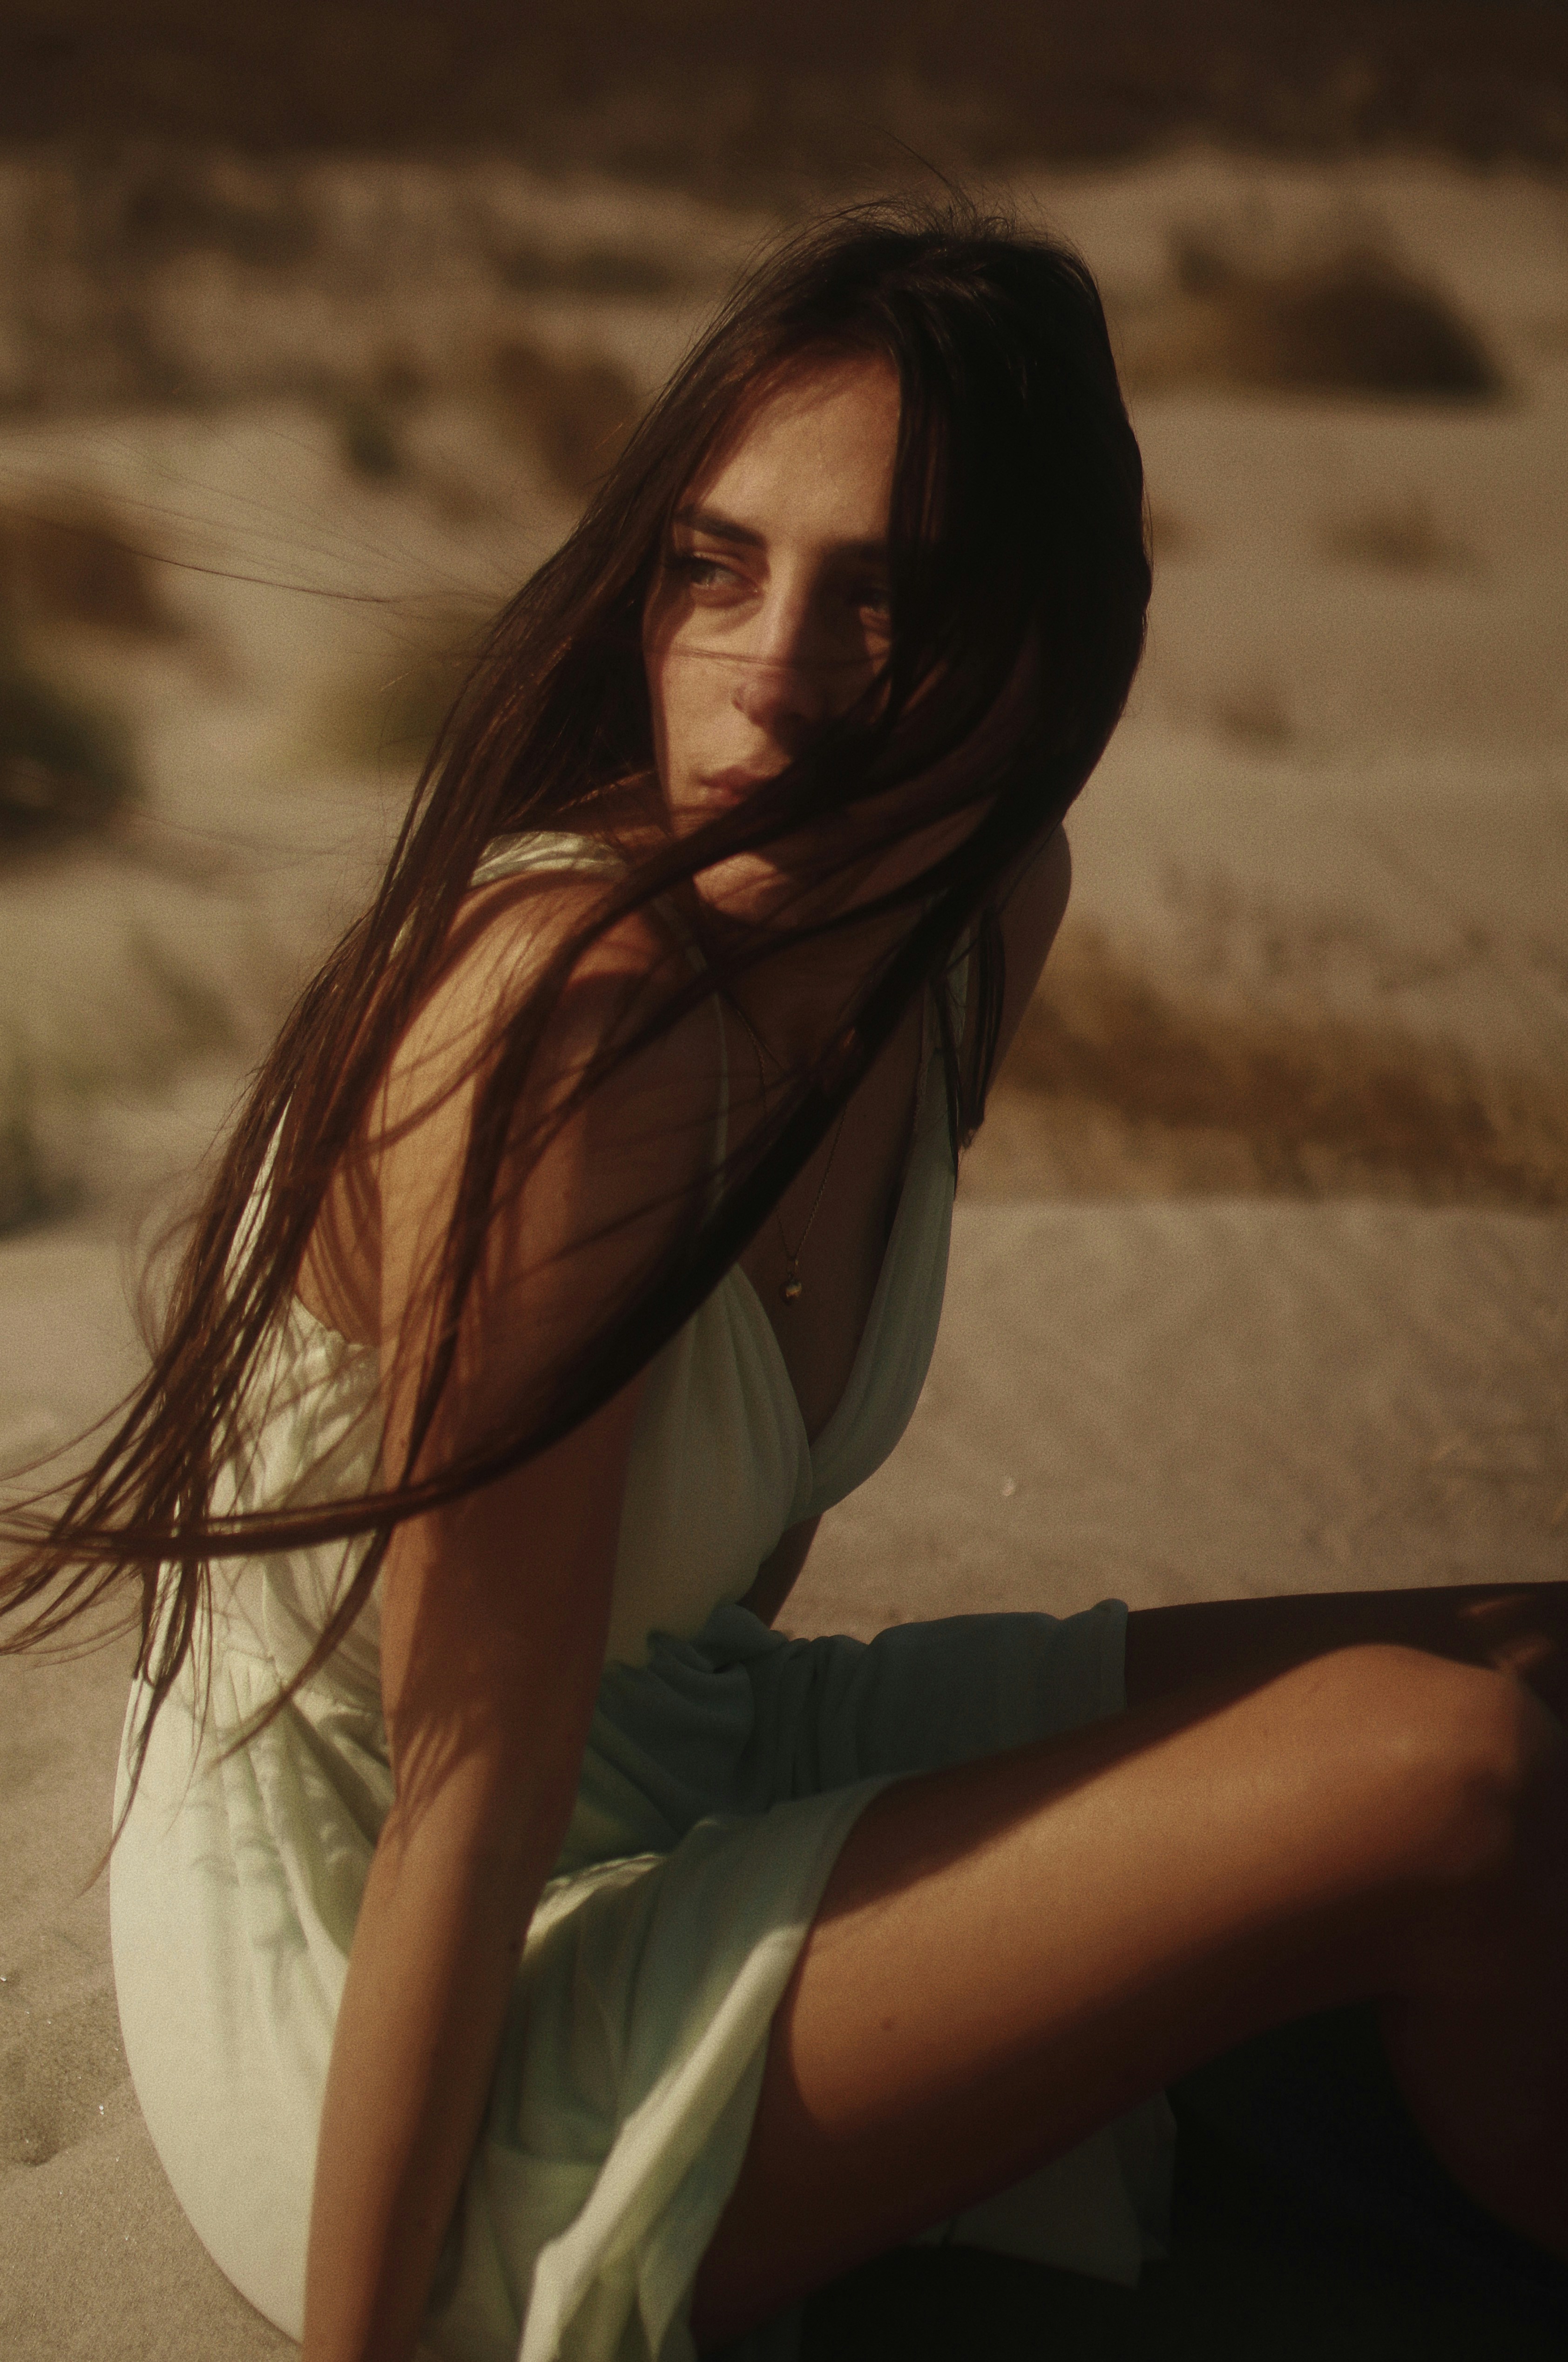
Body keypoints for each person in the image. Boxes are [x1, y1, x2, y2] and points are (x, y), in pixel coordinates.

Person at [3, 198, 1566, 2362]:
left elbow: (731, 1583)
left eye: (884, 596)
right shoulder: (572, 1026)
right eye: (711, 565)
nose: (768, 669)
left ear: (1045, 640)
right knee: (1445, 1777)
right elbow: (472, 1768)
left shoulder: (972, 909)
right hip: (409, 1984)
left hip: (680, 1747)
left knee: (1534, 1664)